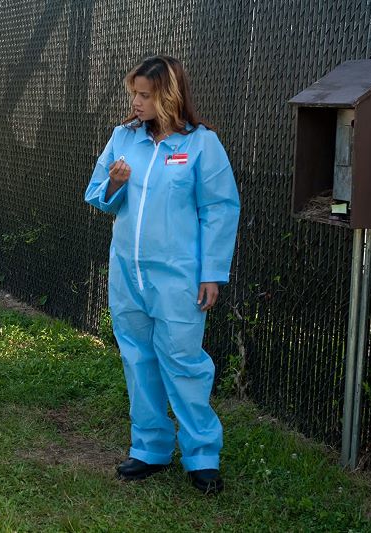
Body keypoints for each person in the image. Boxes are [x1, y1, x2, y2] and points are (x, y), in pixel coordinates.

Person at [84, 56, 240, 494]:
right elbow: (97, 196)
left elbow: (220, 210)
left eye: (144, 95)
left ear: (168, 96)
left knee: (185, 362)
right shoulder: (123, 138)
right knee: (137, 359)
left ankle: (202, 455)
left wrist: (212, 273)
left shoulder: (201, 145)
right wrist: (114, 184)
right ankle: (150, 448)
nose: (135, 102)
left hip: (178, 278)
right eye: (133, 93)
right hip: (127, 274)